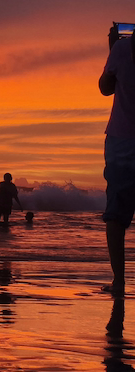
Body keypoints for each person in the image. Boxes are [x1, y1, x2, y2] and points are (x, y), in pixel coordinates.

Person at [99, 26, 135, 295]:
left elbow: (105, 87)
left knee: (116, 214)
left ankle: (119, 281)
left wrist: (113, 49)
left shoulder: (124, 49)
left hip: (123, 139)